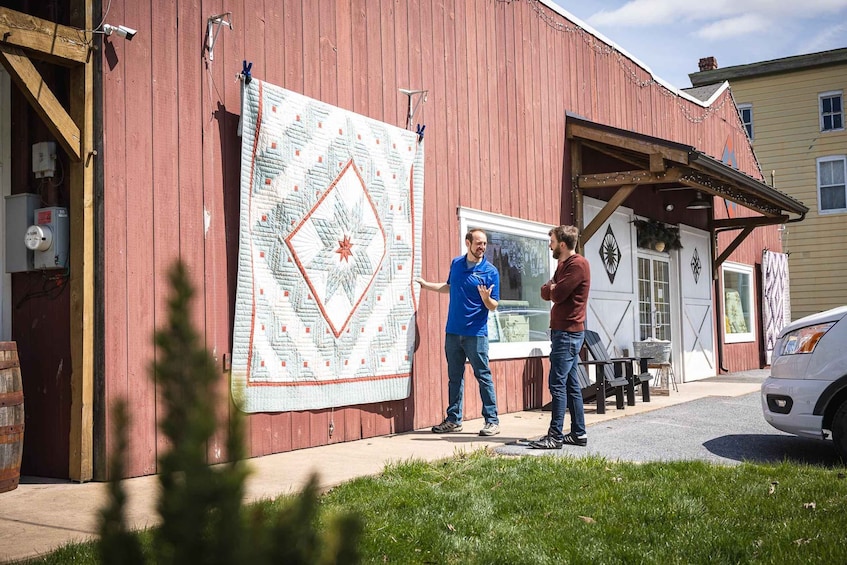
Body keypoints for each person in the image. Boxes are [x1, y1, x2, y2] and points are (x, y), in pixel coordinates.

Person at [415, 228, 501, 436]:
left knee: (483, 376)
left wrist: (485, 298)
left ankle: (492, 421)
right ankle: (454, 420)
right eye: (478, 243)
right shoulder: (456, 264)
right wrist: (426, 286)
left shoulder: (491, 272)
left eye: (484, 244)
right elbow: (449, 287)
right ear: (468, 243)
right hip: (453, 332)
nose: (482, 247)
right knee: (455, 377)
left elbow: (494, 305)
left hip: (476, 334)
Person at [530, 225, 591, 449]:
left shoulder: (578, 265)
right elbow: (547, 291)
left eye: (553, 242)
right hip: (563, 332)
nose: (550, 245)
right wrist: (551, 287)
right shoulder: (563, 265)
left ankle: (555, 436)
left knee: (557, 384)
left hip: (567, 333)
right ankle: (578, 434)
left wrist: (552, 288)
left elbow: (556, 293)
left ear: (562, 245)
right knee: (572, 384)